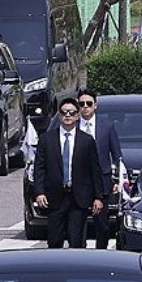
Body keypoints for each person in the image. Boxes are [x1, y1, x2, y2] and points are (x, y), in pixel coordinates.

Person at [33, 98, 104, 249]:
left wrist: (98, 197)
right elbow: (39, 168)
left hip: (78, 198)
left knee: (76, 240)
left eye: (72, 113)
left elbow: (94, 170)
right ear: (59, 115)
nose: (68, 115)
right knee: (54, 240)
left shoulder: (87, 141)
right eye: (64, 112)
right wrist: (39, 192)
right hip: (55, 197)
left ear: (78, 115)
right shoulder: (47, 139)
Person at [77, 89, 125, 250]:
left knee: (102, 225)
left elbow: (117, 154)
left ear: (95, 106)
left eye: (88, 104)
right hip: (79, 183)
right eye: (81, 104)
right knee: (79, 225)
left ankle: (101, 253)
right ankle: (79, 254)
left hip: (102, 182)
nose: (85, 107)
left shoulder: (107, 126)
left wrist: (117, 180)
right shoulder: (72, 126)